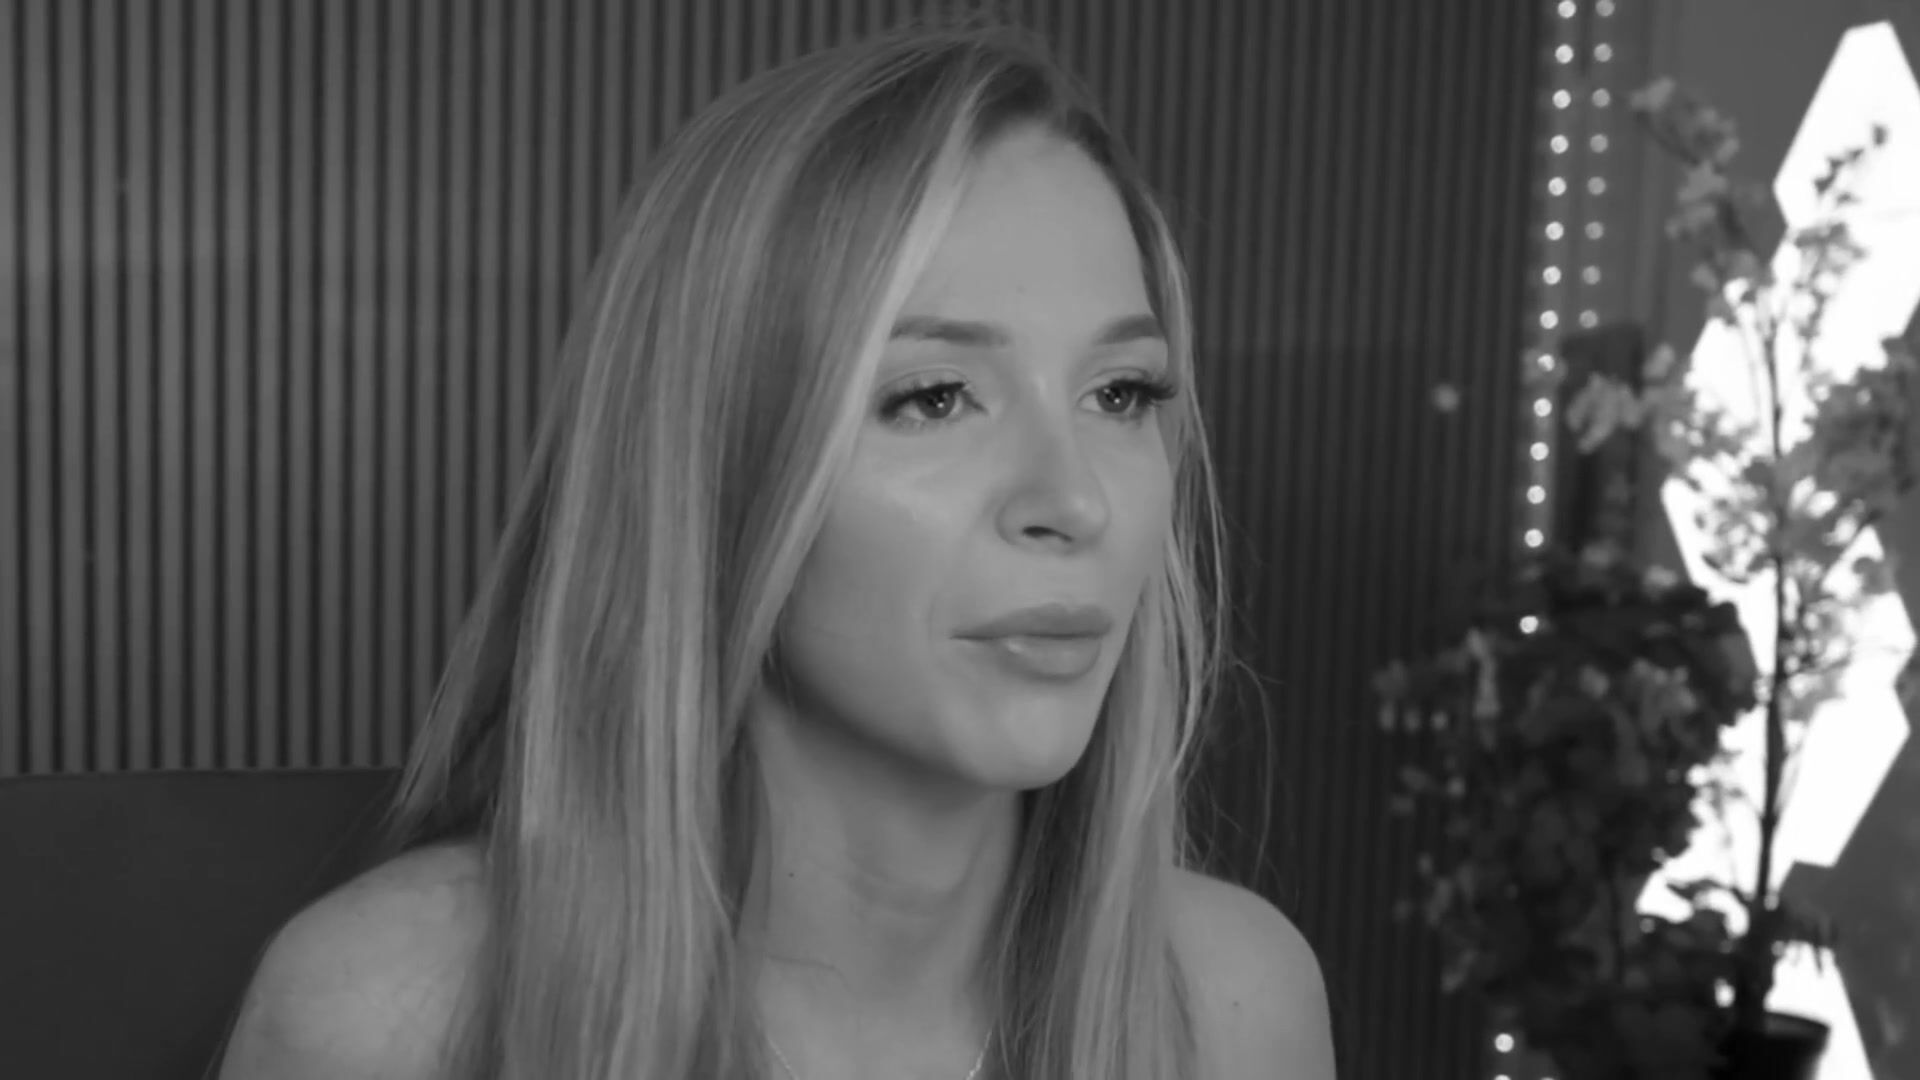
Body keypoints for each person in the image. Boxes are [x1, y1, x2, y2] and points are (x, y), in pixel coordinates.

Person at [214, 13, 1335, 1080]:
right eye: (936, 397)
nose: (1075, 500)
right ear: (718, 467)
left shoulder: (1233, 1010)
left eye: (1121, 392)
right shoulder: (388, 1021)